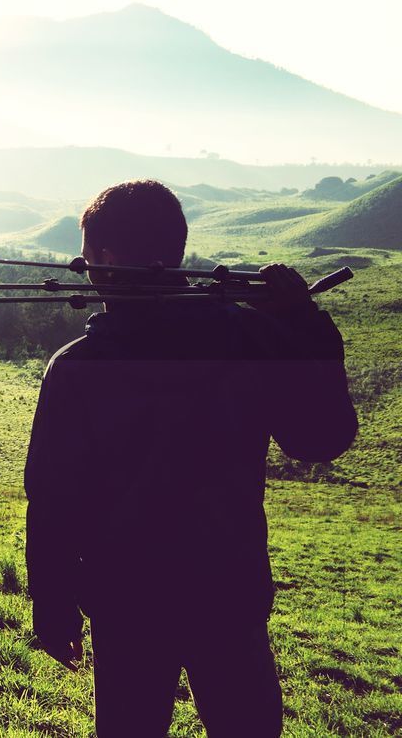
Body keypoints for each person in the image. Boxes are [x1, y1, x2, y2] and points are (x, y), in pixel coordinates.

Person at [24, 180, 358, 737]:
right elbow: (321, 439)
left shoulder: (77, 367)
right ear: (175, 253)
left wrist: (54, 606)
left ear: (104, 261)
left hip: (126, 604)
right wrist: (303, 326)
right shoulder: (249, 339)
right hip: (229, 592)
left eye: (87, 259)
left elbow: (54, 499)